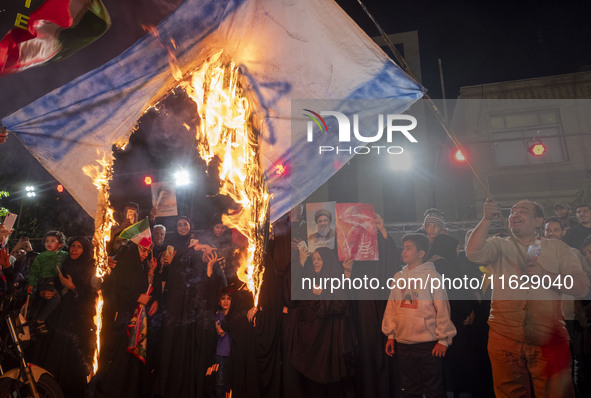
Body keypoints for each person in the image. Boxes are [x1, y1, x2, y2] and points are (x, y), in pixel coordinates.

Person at [466, 198, 590, 397]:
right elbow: (472, 253)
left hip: (548, 337)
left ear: (539, 221)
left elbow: (582, 287)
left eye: (522, 211)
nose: (514, 214)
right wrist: (487, 219)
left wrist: (545, 276)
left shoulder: (559, 249)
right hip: (504, 335)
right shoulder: (498, 245)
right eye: (512, 212)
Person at [154, 214, 227, 398]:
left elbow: (217, 289)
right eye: (179, 224)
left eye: (208, 249)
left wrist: (209, 265)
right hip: (183, 313)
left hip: (201, 319)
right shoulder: (183, 255)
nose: (206, 251)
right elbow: (175, 277)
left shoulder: (210, 265)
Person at [382, 233, 456, 398]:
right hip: (403, 343)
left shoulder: (432, 277)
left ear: (421, 253)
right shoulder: (398, 277)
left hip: (427, 345)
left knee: (434, 389)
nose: (404, 252)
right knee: (410, 388)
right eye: (403, 248)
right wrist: (391, 335)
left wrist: (444, 339)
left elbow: (442, 308)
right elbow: (392, 307)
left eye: (409, 248)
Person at [90, 241, 158, 398]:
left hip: (134, 319)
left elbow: (143, 288)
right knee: (117, 360)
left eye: (148, 252)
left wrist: (151, 272)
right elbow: (117, 294)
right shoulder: (121, 267)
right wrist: (137, 298)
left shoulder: (139, 267)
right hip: (120, 321)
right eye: (142, 250)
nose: (145, 255)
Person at [31, 237, 97, 398]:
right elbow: (48, 286)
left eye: (79, 247)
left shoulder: (90, 269)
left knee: (68, 357)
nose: (74, 249)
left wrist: (73, 287)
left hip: (75, 322)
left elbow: (93, 296)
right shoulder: (63, 264)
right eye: (73, 246)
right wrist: (44, 293)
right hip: (56, 318)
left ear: (85, 250)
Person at [290, 247, 354, 397]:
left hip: (330, 340)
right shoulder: (309, 278)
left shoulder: (335, 279)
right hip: (311, 339)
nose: (316, 262)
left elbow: (342, 304)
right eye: (314, 259)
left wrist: (323, 293)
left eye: (319, 259)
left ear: (327, 260)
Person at [26, 230, 68, 333]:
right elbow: (34, 271)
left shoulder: (63, 254)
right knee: (55, 299)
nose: (49, 243)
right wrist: (31, 284)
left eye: (52, 241)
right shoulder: (41, 256)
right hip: (43, 281)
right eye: (47, 241)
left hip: (53, 281)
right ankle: (40, 320)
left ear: (60, 244)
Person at [213, 288, 233, 398]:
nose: (226, 301)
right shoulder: (219, 315)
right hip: (220, 355)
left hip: (232, 354)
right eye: (223, 298)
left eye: (229, 299)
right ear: (219, 301)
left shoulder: (234, 315)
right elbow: (220, 330)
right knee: (220, 383)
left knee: (229, 384)